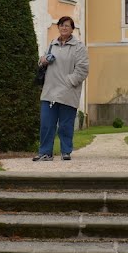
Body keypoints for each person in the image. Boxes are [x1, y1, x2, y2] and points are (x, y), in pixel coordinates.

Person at [33, 16, 89, 161]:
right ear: (58, 27)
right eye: (61, 25)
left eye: (67, 26)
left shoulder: (79, 47)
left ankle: (66, 151)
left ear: (72, 29)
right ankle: (45, 152)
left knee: (65, 125)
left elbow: (82, 69)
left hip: (68, 91)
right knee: (46, 123)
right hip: (49, 90)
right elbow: (42, 61)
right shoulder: (52, 44)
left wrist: (68, 82)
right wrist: (44, 60)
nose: (64, 28)